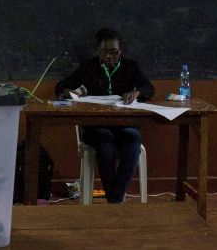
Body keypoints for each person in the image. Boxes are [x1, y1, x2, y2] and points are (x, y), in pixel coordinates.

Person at [55, 28, 154, 204]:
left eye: (114, 53)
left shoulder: (131, 67)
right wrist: (68, 92)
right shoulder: (88, 67)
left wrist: (136, 92)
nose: (110, 57)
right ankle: (116, 200)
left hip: (124, 125)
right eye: (104, 52)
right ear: (97, 51)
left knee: (133, 140)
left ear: (120, 52)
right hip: (96, 127)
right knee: (104, 142)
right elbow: (61, 87)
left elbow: (149, 88)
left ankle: (114, 199)